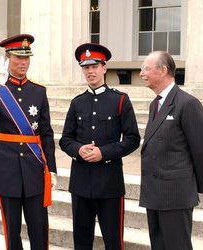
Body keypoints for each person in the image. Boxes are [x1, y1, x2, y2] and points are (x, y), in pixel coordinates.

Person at [0, 34, 57, 250]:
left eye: (27, 58)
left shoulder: (39, 91)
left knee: (39, 228)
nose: (23, 63)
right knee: (12, 232)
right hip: (6, 170)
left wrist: (52, 169)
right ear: (7, 58)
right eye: (18, 58)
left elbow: (46, 133)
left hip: (34, 169)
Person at [59, 43, 140, 250]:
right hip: (81, 183)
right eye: (86, 67)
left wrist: (103, 153)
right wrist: (78, 150)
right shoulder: (77, 102)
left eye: (94, 66)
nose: (90, 71)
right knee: (82, 241)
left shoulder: (120, 100)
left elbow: (132, 139)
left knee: (113, 241)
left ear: (104, 68)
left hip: (110, 183)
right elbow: (65, 139)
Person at [139, 51, 203, 250]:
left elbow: (202, 152)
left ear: (163, 70)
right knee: (159, 246)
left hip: (175, 194)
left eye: (146, 68)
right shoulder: (155, 104)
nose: (141, 73)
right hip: (154, 192)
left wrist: (194, 187)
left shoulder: (187, 104)